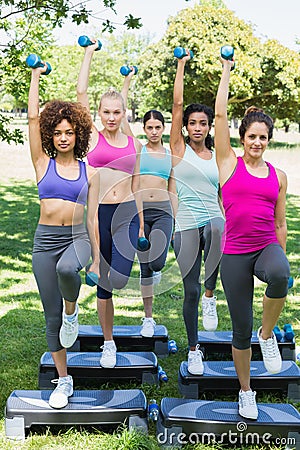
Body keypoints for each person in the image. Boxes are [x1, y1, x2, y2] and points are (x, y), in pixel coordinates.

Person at [214, 55, 290, 420]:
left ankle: (269, 333)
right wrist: (226, 73)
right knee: (239, 327)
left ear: (268, 140)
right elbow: (218, 119)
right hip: (234, 254)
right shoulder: (229, 163)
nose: (257, 142)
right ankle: (246, 391)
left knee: (280, 274)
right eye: (251, 136)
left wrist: (282, 254)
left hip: (265, 246)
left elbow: (280, 222)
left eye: (263, 137)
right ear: (242, 138)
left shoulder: (279, 176)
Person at [28, 63, 100, 409]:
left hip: (77, 239)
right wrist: (35, 78)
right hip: (44, 242)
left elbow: (95, 219)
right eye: (57, 132)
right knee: (50, 318)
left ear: (78, 134)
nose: (63, 137)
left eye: (69, 132)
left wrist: (98, 259)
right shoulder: (42, 163)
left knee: (69, 271)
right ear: (50, 135)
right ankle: (64, 379)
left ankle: (73, 310)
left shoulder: (90, 172)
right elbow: (30, 120)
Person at [77, 42, 144, 368]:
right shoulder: (93, 137)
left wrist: (143, 223)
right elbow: (81, 95)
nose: (112, 117)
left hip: (127, 213)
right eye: (106, 112)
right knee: (104, 284)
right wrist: (89, 53)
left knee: (117, 278)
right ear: (99, 114)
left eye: (117, 112)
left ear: (124, 113)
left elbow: (137, 186)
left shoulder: (134, 143)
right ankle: (108, 342)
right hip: (99, 211)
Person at [170, 51, 224, 375]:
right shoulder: (179, 149)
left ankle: (210, 294)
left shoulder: (218, 155)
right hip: (185, 224)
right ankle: (193, 349)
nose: (198, 127)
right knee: (188, 290)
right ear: (186, 126)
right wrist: (181, 66)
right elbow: (177, 105)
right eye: (193, 123)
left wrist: (225, 70)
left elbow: (221, 194)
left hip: (212, 220)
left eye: (203, 123)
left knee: (218, 226)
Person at [121, 70, 177, 337]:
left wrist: (177, 221)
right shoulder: (139, 149)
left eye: (158, 127)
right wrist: (128, 81)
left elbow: (173, 187)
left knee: (156, 262)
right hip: (141, 212)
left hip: (165, 211)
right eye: (149, 127)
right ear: (144, 129)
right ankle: (148, 318)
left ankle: (157, 269)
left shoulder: (170, 153)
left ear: (163, 128)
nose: (153, 131)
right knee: (145, 268)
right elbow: (121, 122)